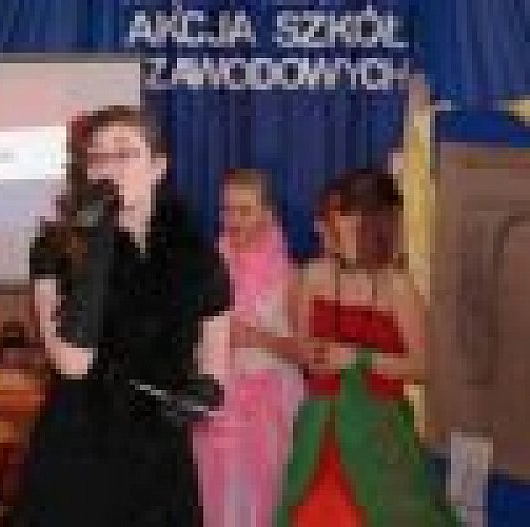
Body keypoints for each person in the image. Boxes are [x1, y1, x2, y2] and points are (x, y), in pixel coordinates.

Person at [11, 105, 231, 527]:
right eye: (97, 156)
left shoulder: (198, 255)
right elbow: (73, 362)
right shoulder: (55, 248)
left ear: (158, 167)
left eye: (124, 152)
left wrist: (205, 394)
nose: (109, 166)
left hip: (160, 454)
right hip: (80, 447)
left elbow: (215, 357)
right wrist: (96, 241)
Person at [277, 169, 460, 526]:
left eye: (346, 218)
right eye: (336, 217)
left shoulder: (398, 287)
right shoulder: (311, 276)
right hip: (321, 429)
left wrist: (358, 358)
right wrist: (312, 354)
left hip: (379, 434)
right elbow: (304, 354)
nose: (332, 227)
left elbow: (423, 369)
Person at [194, 168, 305, 527]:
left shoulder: (290, 276)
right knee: (215, 500)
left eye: (245, 211)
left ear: (268, 214)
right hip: (217, 402)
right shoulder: (208, 271)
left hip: (270, 408)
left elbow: (305, 352)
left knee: (266, 501)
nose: (233, 220)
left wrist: (256, 338)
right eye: (227, 210)